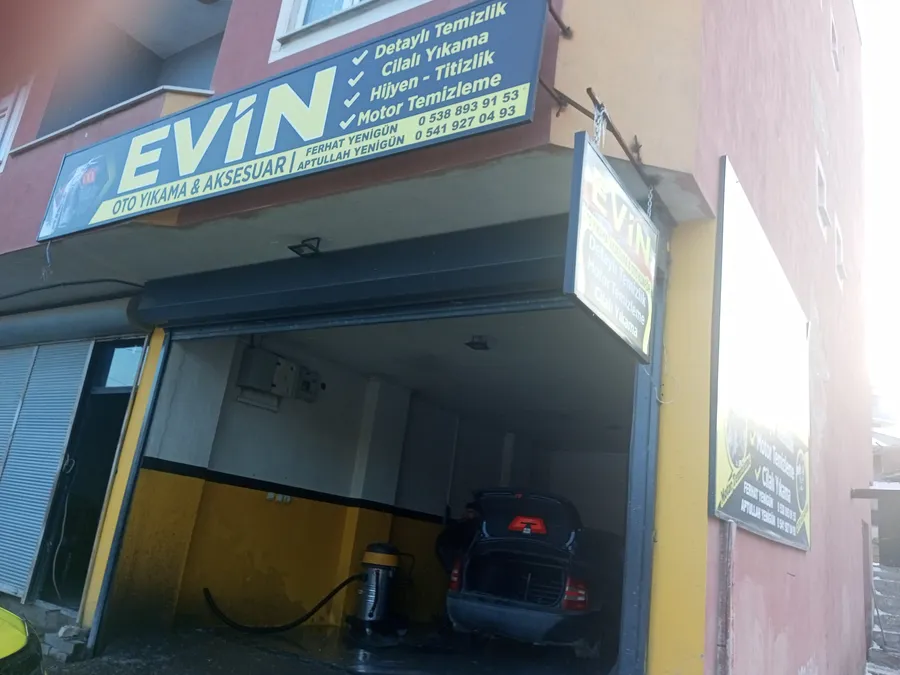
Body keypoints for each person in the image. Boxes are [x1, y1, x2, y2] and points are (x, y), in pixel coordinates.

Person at [435, 502, 482, 575]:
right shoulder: (465, 525)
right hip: (449, 549)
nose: (467, 514)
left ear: (477, 514)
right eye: (467, 511)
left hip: (450, 550)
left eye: (470, 512)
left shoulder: (470, 525)